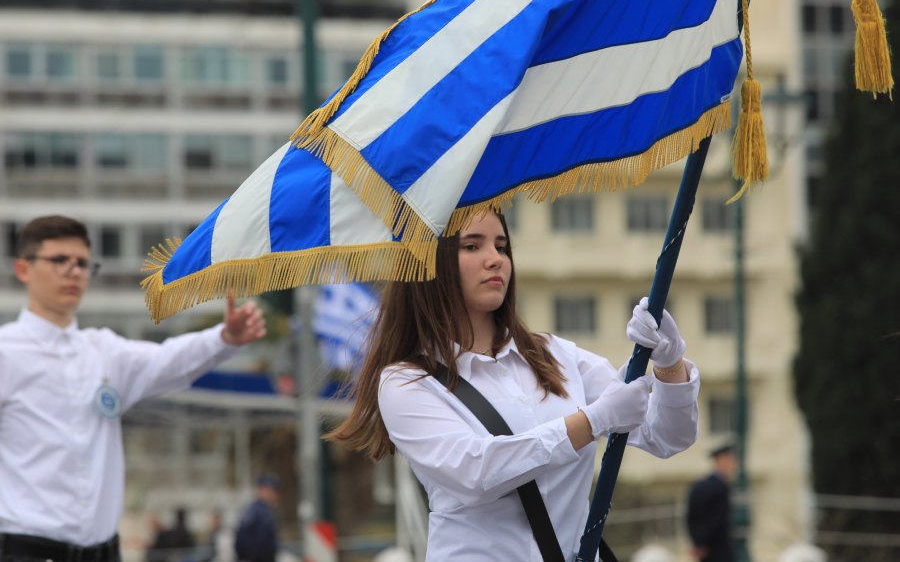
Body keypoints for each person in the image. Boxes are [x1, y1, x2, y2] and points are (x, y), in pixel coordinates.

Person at [326, 212, 700, 561]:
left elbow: (666, 437)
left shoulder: (554, 354)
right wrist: (595, 420)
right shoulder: (405, 381)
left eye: (501, 246)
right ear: (429, 265)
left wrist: (669, 363)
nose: (496, 259)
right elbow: (477, 472)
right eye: (472, 246)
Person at [0, 216, 266, 562]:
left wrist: (224, 339)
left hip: (105, 552)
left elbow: (167, 361)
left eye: (82, 262)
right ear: (23, 269)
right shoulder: (6, 352)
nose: (74, 271)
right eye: (59, 260)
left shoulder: (104, 351)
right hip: (26, 551)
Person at [687, 443, 738, 562]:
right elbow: (717, 520)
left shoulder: (698, 486)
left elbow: (690, 519)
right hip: (719, 550)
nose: (734, 464)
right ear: (722, 460)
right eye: (732, 460)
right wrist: (703, 543)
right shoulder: (721, 488)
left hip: (704, 552)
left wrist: (697, 543)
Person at [234, 474, 280, 562]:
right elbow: (242, 540)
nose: (274, 494)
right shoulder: (254, 511)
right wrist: (245, 557)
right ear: (261, 489)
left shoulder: (267, 511)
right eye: (271, 490)